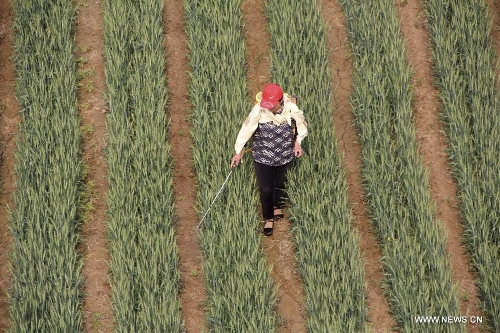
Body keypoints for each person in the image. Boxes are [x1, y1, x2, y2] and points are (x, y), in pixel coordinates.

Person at [230, 83, 308, 236]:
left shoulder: (291, 108)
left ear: (280, 101)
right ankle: (268, 218)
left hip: (285, 154)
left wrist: (298, 143)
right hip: (263, 156)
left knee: (280, 183)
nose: (269, 107)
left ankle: (277, 205)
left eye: (272, 104)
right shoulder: (259, 110)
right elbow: (246, 130)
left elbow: (301, 127)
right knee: (266, 189)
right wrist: (238, 152)